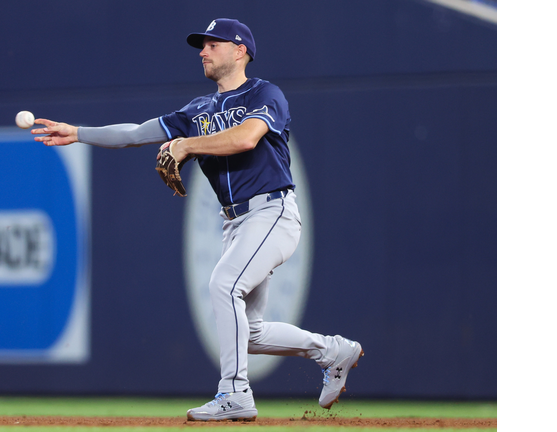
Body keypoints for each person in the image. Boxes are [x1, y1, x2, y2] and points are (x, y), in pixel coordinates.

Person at [30, 18, 364, 422]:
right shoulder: (198, 110)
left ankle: (235, 394)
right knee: (251, 333)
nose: (203, 51)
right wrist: (79, 132)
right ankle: (333, 351)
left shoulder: (265, 93)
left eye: (212, 44)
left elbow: (245, 138)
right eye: (201, 46)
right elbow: (136, 133)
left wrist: (187, 144)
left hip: (271, 211)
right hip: (236, 222)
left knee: (224, 285)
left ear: (240, 50)